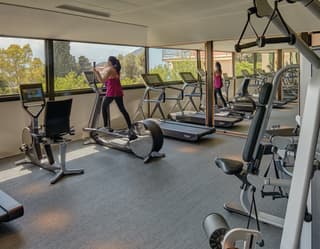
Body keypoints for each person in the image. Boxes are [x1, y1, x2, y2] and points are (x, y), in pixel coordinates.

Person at [93, 56, 137, 140]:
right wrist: (99, 68)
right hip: (118, 91)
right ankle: (130, 127)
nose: (106, 62)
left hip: (112, 92)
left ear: (110, 62)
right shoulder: (115, 69)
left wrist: (96, 72)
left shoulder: (110, 70)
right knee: (122, 109)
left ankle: (106, 126)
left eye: (107, 61)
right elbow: (104, 68)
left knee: (104, 106)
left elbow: (102, 80)